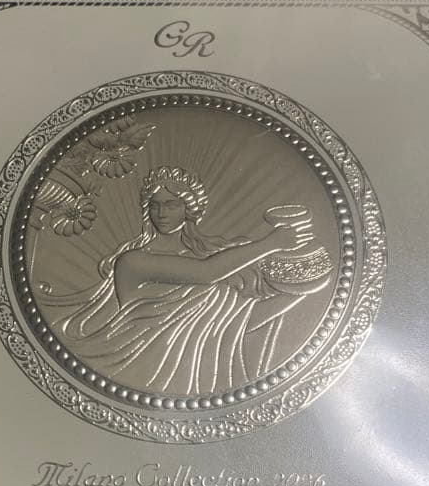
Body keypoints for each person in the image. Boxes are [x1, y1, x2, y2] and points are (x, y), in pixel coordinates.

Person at [43, 166, 332, 397]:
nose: (162, 213)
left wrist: (302, 285)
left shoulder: (218, 257)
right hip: (140, 373)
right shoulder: (132, 262)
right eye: (155, 205)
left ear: (189, 208)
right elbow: (205, 273)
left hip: (202, 379)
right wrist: (270, 244)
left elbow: (239, 323)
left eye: (171, 204)